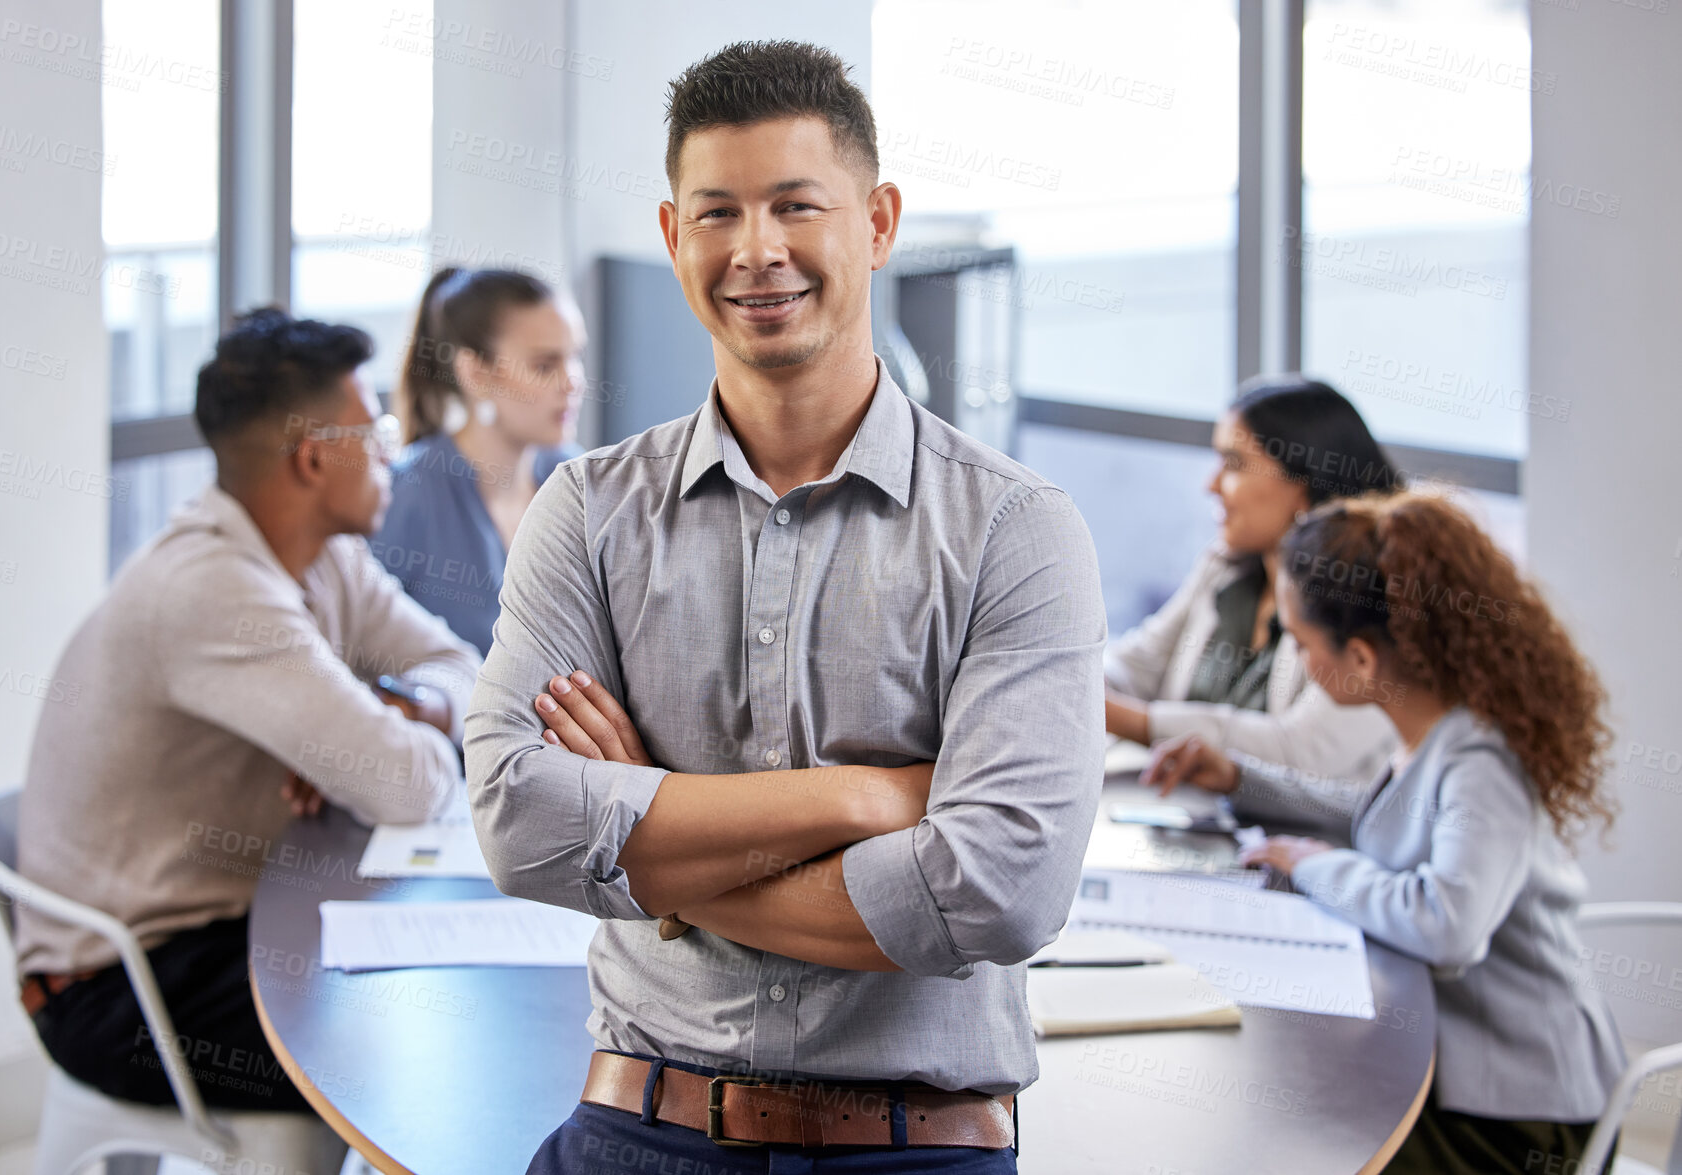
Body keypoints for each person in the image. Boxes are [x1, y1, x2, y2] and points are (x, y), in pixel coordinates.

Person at [462, 40, 1106, 1173]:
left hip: (912, 1150)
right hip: (635, 1127)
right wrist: (865, 797)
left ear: (878, 221)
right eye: (716, 214)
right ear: (673, 238)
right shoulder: (588, 510)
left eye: (795, 206)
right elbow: (519, 820)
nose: (755, 251)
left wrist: (655, 864)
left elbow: (998, 890)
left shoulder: (1016, 527)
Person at [13, 308, 479, 1119]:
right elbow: (411, 789)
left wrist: (403, 703)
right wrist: (387, 734)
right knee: (424, 1036)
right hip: (123, 987)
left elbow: (470, 672)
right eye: (373, 435)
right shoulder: (214, 590)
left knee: (428, 998)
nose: (390, 460)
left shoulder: (329, 557)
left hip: (219, 924)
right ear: (311, 457)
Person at [1142, 489, 1625, 1175]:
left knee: (1291, 1140)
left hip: (1526, 1114)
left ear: (1362, 659)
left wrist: (1313, 864)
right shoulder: (1435, 732)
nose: (1299, 658)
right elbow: (1379, 818)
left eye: (1302, 642)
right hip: (1468, 1071)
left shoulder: (1481, 760)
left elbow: (1447, 921)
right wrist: (1238, 777)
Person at [1106, 376, 1402, 783]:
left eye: (1233, 464)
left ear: (1304, 485)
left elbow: (1301, 751)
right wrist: (1067, 682)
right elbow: (1137, 666)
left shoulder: (1378, 600)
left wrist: (1127, 719)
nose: (1211, 485)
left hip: (1299, 841)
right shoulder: (1225, 566)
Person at [372, 266, 587, 655]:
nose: (573, 382)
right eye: (544, 365)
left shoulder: (578, 480)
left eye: (574, 357)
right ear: (475, 372)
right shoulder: (406, 494)